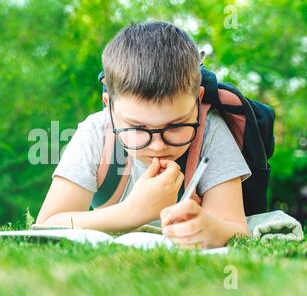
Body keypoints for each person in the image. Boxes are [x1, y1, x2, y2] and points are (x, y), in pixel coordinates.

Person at [36, 21, 251, 249]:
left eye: (176, 126)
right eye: (138, 128)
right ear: (109, 107)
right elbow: (47, 225)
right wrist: (132, 211)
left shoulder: (209, 131)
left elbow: (235, 227)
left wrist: (209, 228)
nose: (158, 146)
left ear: (197, 102)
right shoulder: (96, 134)